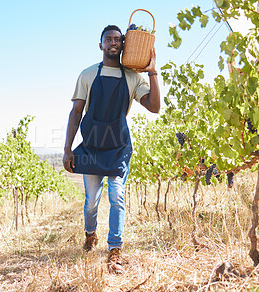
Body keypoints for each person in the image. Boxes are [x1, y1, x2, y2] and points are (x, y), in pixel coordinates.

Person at [63, 25, 160, 274]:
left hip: (118, 147)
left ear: (124, 44)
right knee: (91, 203)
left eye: (118, 39)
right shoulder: (87, 75)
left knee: (117, 197)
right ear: (101, 44)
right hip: (93, 146)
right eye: (109, 39)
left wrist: (152, 73)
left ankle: (115, 249)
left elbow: (154, 106)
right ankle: (90, 234)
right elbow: (75, 113)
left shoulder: (132, 77)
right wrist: (67, 149)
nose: (113, 43)